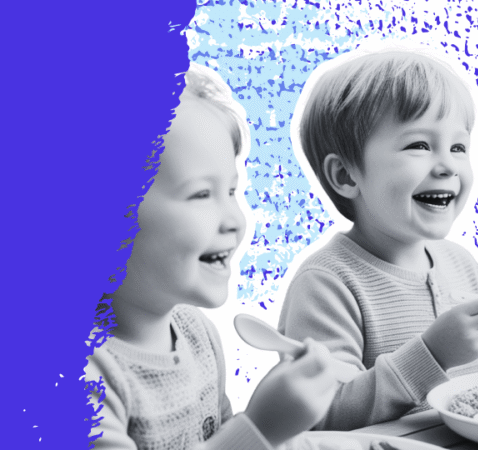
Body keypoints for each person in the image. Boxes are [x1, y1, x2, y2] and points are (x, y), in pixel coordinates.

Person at [278, 50, 478, 431]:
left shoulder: (460, 264)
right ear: (346, 175)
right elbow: (321, 413)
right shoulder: (327, 283)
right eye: (419, 145)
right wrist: (431, 354)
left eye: (458, 147)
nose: (448, 165)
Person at [84, 63, 339, 450]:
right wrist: (260, 429)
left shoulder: (195, 333)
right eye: (202, 194)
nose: (236, 220)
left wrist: (276, 424)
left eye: (233, 191)